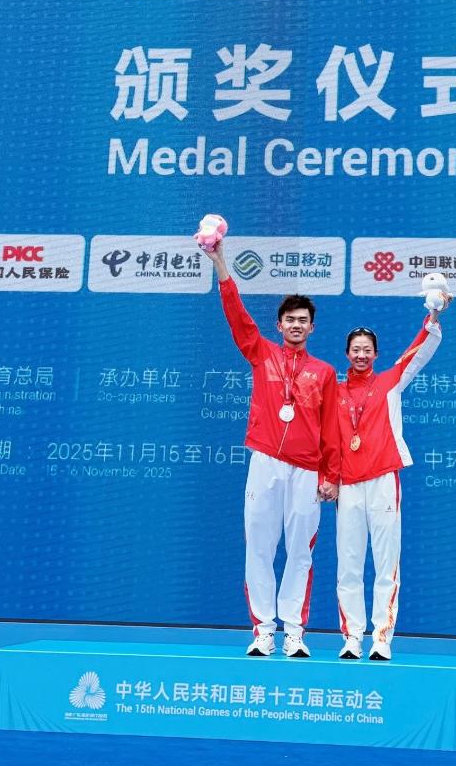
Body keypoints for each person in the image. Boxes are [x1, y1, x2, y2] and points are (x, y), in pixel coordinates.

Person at [202, 240, 340, 658]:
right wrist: (220, 263)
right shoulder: (261, 354)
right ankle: (263, 630)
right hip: (265, 462)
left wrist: (331, 476)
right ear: (279, 326)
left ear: (312, 328)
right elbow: (236, 316)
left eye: (303, 321)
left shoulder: (325, 372)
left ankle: (294, 632)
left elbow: (331, 429)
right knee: (259, 548)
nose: (296, 325)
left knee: (300, 552)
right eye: (290, 320)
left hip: (307, 471)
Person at [335, 304, 446, 662]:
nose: (361, 355)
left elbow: (417, 352)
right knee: (349, 565)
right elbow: (326, 440)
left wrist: (433, 319)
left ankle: (381, 637)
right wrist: (327, 479)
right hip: (348, 485)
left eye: (367, 349)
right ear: (347, 354)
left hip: (384, 478)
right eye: (356, 349)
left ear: (376, 354)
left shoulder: (390, 381)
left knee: (386, 564)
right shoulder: (334, 392)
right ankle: (352, 637)